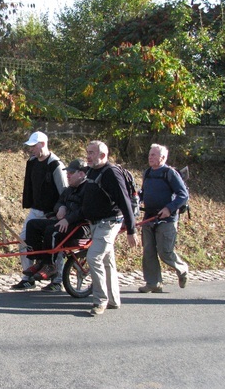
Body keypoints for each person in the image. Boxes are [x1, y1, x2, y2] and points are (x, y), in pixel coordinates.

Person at [82, 141, 138, 316]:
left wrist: (131, 230)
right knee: (107, 261)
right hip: (95, 224)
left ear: (103, 155)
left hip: (109, 223)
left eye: (92, 153)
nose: (88, 156)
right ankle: (114, 300)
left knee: (94, 257)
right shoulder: (92, 170)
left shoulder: (111, 173)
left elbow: (125, 202)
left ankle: (100, 301)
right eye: (87, 152)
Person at [23, 158, 91, 292]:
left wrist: (68, 219)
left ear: (82, 174)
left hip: (80, 226)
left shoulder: (88, 189)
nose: (68, 175)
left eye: (71, 172)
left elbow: (85, 210)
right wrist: (60, 208)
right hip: (64, 223)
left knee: (51, 231)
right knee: (32, 225)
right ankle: (40, 261)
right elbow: (58, 203)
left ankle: (50, 265)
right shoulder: (69, 190)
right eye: (68, 172)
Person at [10, 131, 68, 290]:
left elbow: (64, 192)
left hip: (53, 213)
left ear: (43, 144)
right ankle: (28, 277)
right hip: (36, 211)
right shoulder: (33, 162)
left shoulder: (56, 165)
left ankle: (57, 281)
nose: (31, 150)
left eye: (33, 146)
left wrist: (61, 211)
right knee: (23, 241)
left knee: (56, 246)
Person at [138, 144, 190, 293]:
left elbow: (183, 195)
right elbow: (144, 192)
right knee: (148, 251)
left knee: (165, 252)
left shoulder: (170, 173)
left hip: (167, 220)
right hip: (149, 217)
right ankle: (153, 283)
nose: (150, 157)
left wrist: (169, 208)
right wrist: (137, 198)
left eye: (153, 154)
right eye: (149, 154)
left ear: (162, 157)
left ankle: (182, 269)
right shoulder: (147, 173)